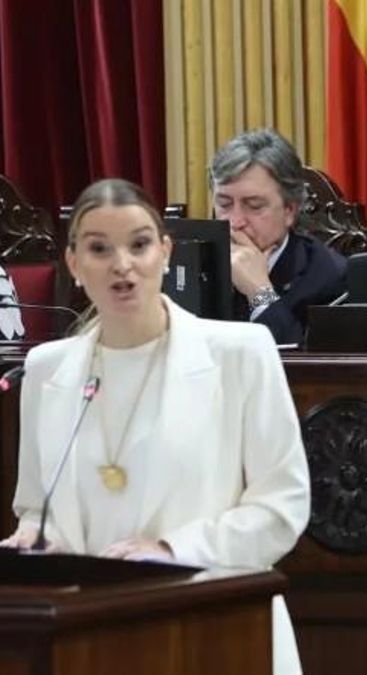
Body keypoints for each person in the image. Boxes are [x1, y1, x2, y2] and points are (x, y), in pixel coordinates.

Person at [0, 179, 310, 675]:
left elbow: (282, 507)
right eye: (99, 249)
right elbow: (37, 508)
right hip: (91, 638)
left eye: (139, 245)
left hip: (217, 630)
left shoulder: (241, 353)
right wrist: (35, 540)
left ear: (165, 253)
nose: (122, 264)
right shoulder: (46, 369)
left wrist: (171, 551)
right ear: (74, 264)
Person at [210, 128, 347, 345]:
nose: (235, 222)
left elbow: (304, 362)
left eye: (254, 206)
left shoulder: (328, 277)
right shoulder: (190, 262)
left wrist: (259, 292)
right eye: (224, 204)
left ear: (289, 210)